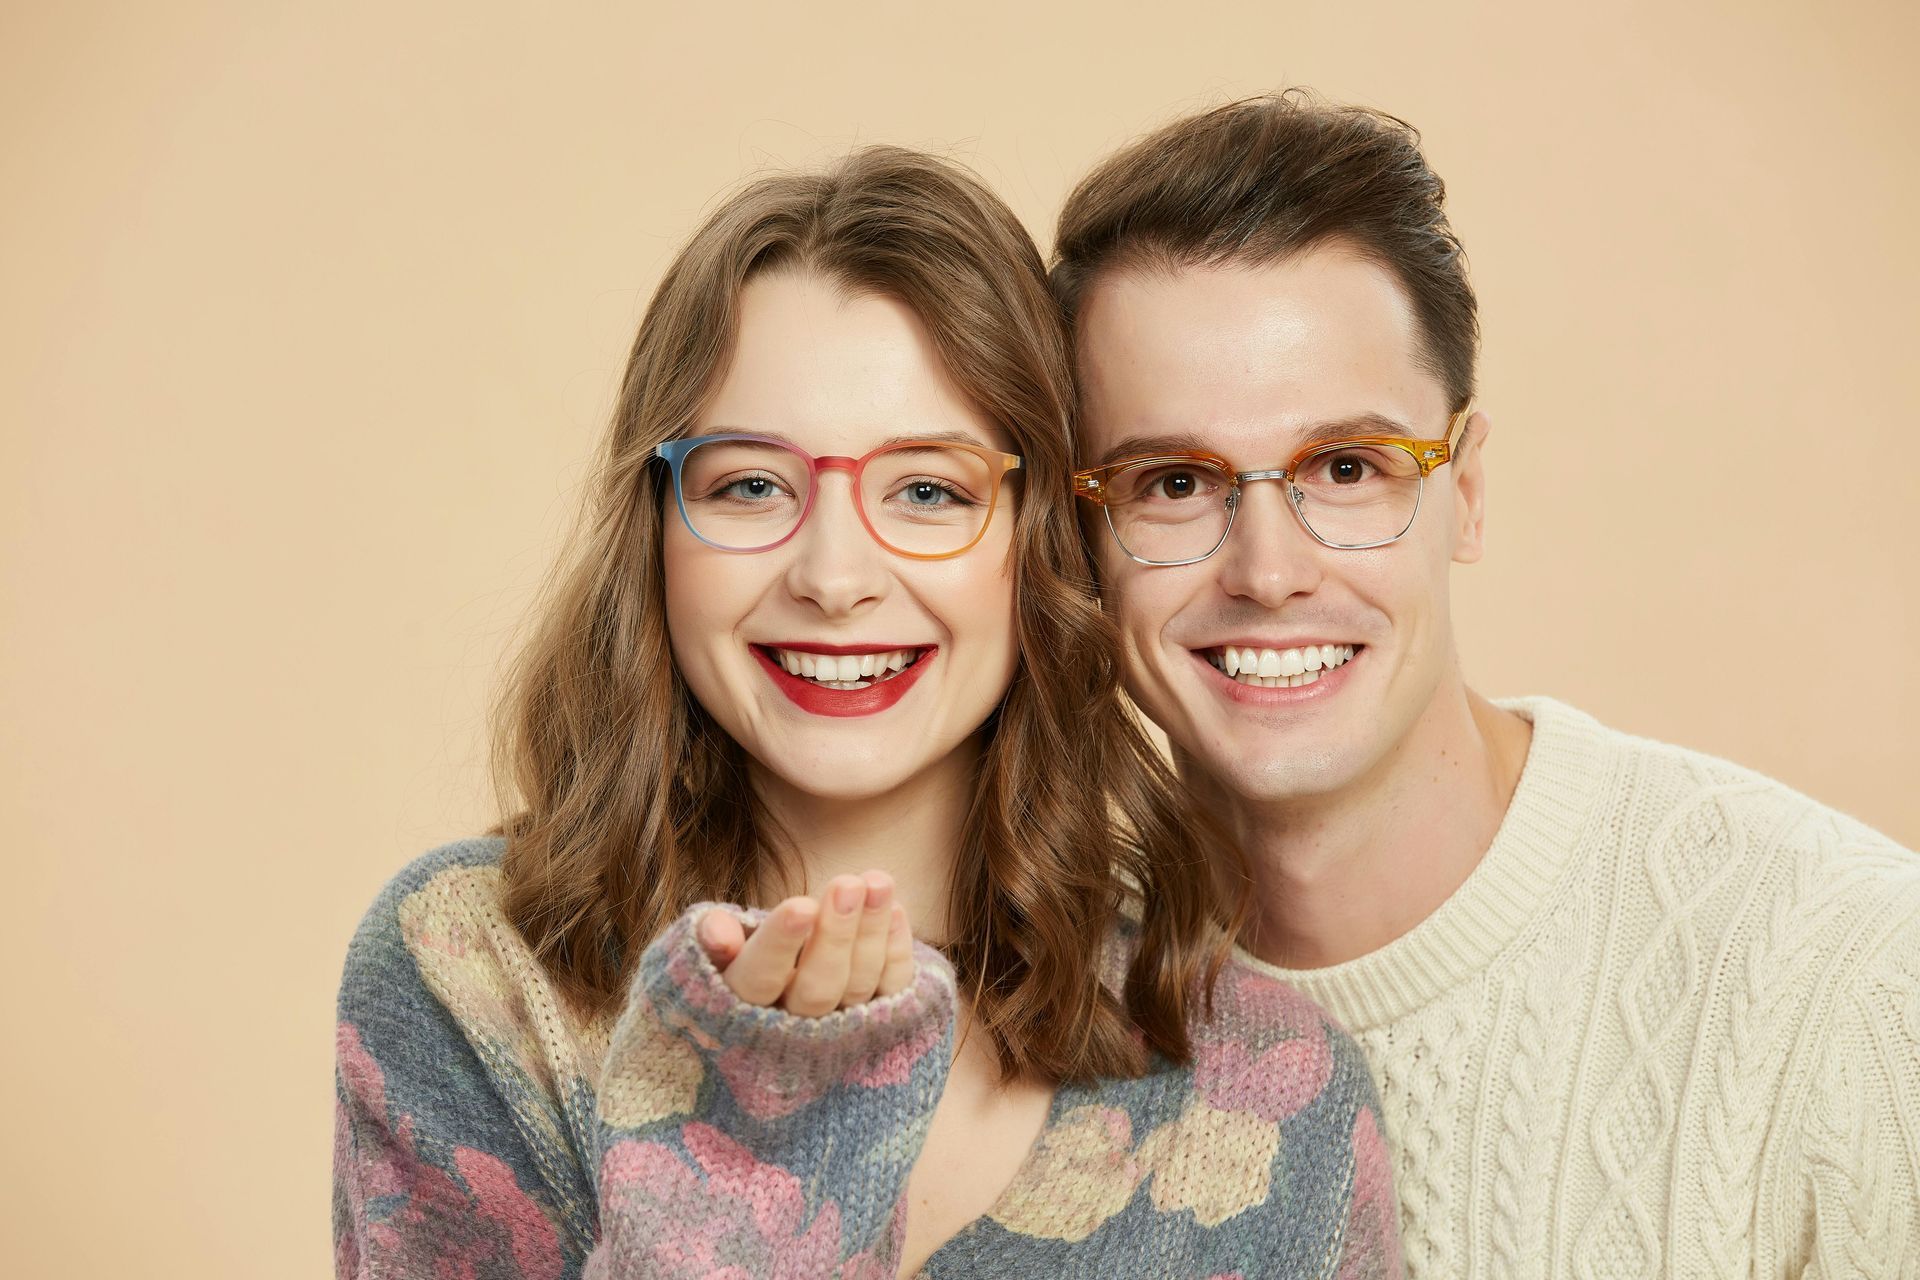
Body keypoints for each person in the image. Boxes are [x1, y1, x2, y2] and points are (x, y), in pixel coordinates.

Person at [332, 145, 1403, 1279]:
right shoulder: (474, 971)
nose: (834, 575)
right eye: (750, 484)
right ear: (657, 527)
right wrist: (745, 1172)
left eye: (929, 490)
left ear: (1039, 542)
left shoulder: (1270, 1100)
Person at [1051, 90, 1920, 1279]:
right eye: (1173, 483)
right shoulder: (1033, 1020)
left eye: (1346, 466)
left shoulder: (1848, 976)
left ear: (1463, 490)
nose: (1268, 569)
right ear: (1083, 545)